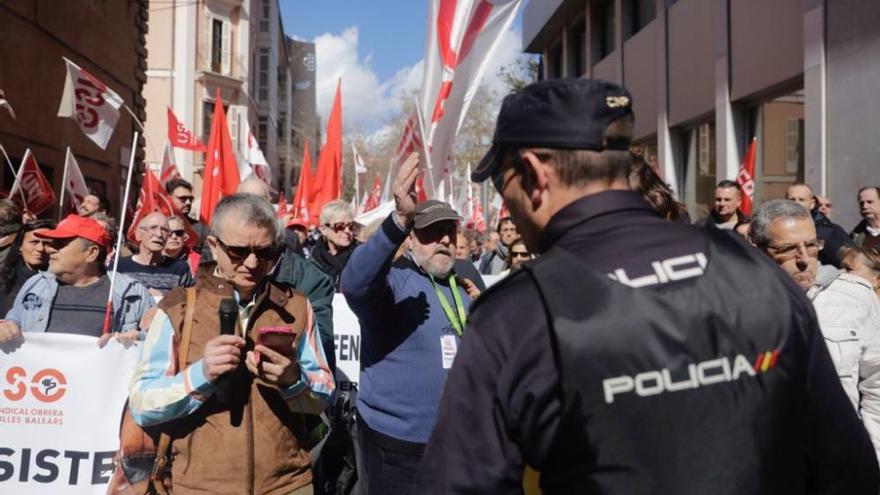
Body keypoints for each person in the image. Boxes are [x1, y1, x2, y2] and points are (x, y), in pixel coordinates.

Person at [416, 78, 878, 493]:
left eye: (503, 181)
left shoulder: (516, 315)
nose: (505, 204)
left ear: (536, 173)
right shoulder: (752, 270)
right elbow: (847, 467)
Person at [128, 193, 334, 495]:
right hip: (199, 486)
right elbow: (143, 403)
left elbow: (324, 392)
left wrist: (294, 380)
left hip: (287, 485)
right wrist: (201, 375)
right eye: (238, 252)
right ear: (213, 246)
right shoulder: (178, 309)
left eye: (266, 252)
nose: (252, 263)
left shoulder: (297, 306)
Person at [341, 155, 475, 495]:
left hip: (460, 447)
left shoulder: (466, 284)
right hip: (399, 452)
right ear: (411, 239)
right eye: (431, 232)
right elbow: (354, 283)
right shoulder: (393, 281)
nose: (444, 239)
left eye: (449, 231)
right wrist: (399, 218)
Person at [751, 199, 880, 459]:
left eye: (811, 245)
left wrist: (873, 459)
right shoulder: (734, 302)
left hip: (837, 461)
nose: (804, 259)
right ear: (758, 249)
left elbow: (876, 384)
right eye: (789, 249)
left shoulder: (853, 296)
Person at [0, 214, 153, 342]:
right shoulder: (35, 285)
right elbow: (12, 322)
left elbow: (160, 341)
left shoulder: (132, 293)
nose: (51, 249)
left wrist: (138, 338)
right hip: (42, 376)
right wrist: (5, 327)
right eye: (53, 243)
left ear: (91, 253)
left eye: (61, 244)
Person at [116, 211, 193, 298]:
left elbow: (189, 305)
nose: (159, 234)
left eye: (164, 230)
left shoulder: (180, 268)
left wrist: (163, 300)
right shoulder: (119, 267)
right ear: (138, 234)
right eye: (153, 228)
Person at [786, 183, 852, 267]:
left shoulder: (829, 231)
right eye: (792, 200)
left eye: (801, 200)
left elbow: (849, 261)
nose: (796, 203)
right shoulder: (775, 229)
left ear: (812, 204)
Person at [0, 218, 55, 316]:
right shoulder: (3, 280)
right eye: (34, 242)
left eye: (47, 243)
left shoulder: (60, 283)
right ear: (20, 246)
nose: (40, 248)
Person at [312, 200, 358, 290]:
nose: (347, 231)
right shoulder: (313, 259)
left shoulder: (361, 255)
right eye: (340, 226)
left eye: (351, 226)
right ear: (323, 229)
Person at [166, 178, 208, 249]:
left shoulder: (200, 228)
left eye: (190, 199)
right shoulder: (158, 225)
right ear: (169, 199)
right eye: (183, 199)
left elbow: (207, 255)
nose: (188, 202)